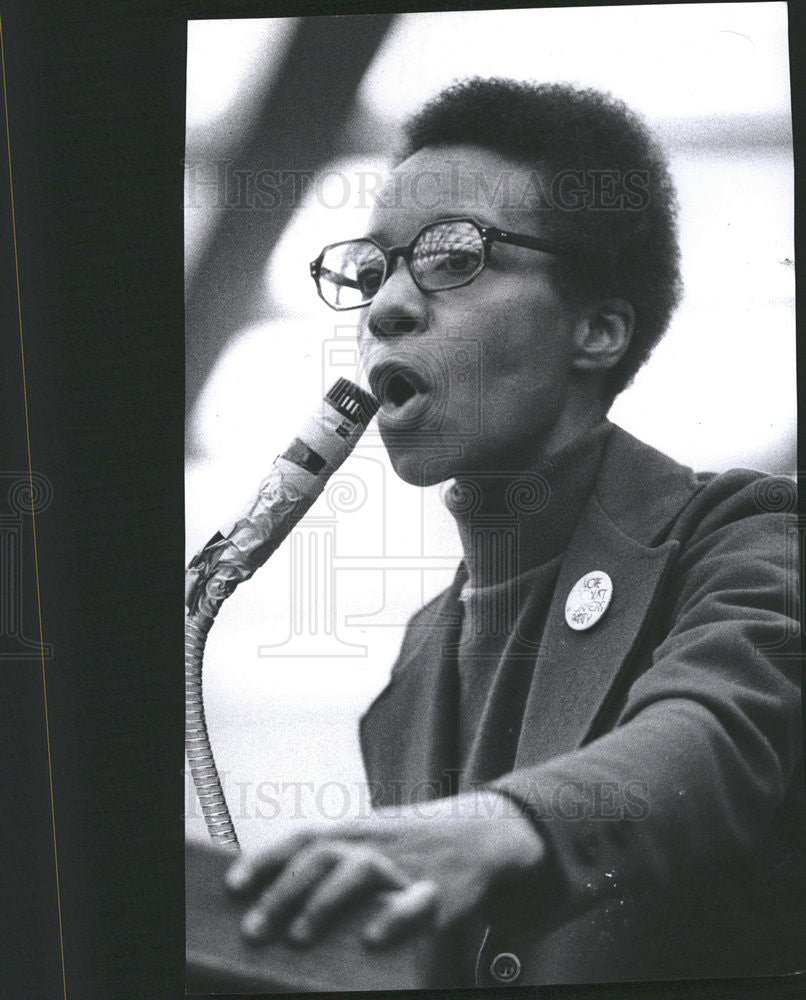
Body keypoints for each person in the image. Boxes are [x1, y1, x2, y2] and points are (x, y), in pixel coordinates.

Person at [223, 78, 805, 986]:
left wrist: (511, 826)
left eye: (452, 255)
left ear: (600, 329)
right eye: (371, 271)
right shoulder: (414, 671)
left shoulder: (743, 539)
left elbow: (722, 732)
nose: (384, 309)